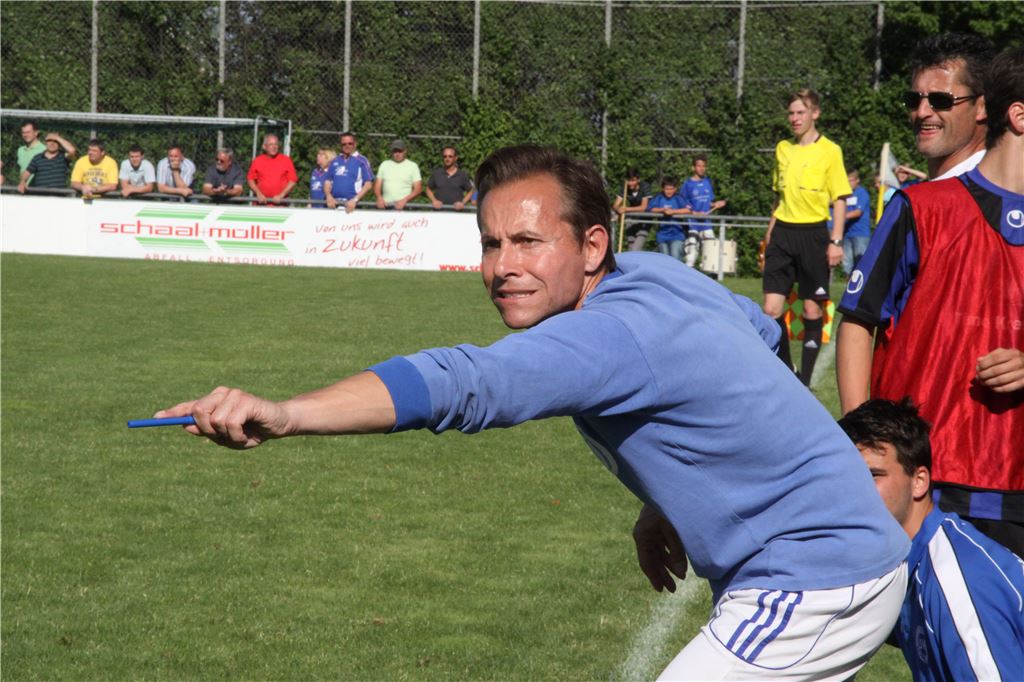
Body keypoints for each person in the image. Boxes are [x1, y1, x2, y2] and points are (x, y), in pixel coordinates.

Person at [155, 145, 909, 680]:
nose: (502, 267)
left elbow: (466, 383)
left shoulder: (603, 334)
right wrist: (668, 500)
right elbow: (761, 332)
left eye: (526, 241)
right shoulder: (654, 274)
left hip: (811, 579)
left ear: (591, 246)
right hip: (845, 558)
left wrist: (287, 414)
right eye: (491, 244)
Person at [837, 45, 1024, 558]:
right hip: (931, 483)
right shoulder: (921, 208)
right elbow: (857, 320)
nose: (922, 111)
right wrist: (865, 450)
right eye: (916, 99)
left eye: (939, 98)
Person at [838, 398, 1024, 680]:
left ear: (919, 481)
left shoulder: (953, 580)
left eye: (873, 475)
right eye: (848, 476)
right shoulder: (911, 559)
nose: (857, 490)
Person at [763, 89, 851, 385]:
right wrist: (770, 233)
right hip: (782, 233)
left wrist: (836, 241)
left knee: (812, 308)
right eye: (791, 113)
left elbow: (840, 199)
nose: (794, 118)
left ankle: (806, 381)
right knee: (771, 310)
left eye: (800, 112)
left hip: (814, 235)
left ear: (815, 114)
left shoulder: (830, 150)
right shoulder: (782, 148)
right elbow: (778, 198)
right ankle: (788, 371)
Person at [904, 33, 995, 181]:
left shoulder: (992, 190)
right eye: (913, 99)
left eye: (940, 100)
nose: (921, 112)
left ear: (982, 107)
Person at [681, 154, 727, 268]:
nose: (701, 168)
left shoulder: (707, 182)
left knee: (711, 253)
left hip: (706, 223)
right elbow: (682, 204)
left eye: (704, 166)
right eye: (699, 166)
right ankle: (686, 274)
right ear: (693, 167)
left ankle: (710, 277)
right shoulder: (687, 184)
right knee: (691, 254)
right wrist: (695, 213)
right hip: (693, 223)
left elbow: (708, 202)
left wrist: (716, 204)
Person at [324, 131, 374, 213]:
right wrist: (328, 196)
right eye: (344, 144)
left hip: (353, 206)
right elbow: (327, 181)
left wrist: (355, 200)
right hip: (334, 205)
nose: (347, 146)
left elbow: (368, 184)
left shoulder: (362, 161)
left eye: (350, 143)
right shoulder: (335, 161)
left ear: (355, 144)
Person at [646, 177, 690, 261]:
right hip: (662, 235)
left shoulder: (679, 198)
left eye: (671, 189)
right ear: (663, 188)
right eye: (667, 189)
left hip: (677, 234)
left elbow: (688, 210)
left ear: (675, 189)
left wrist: (673, 211)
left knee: (675, 255)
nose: (669, 191)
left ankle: (677, 269)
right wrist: (662, 210)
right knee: (664, 258)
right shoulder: (659, 197)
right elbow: (650, 209)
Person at [247, 134, 298, 206]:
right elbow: (250, 180)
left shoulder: (286, 160)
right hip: (261, 204)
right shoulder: (258, 161)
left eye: (276, 144)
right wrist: (258, 193)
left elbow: (293, 180)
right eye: (271, 144)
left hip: (280, 205)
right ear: (264, 146)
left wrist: (281, 195)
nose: (274, 147)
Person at [374, 139, 422, 210]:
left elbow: (418, 189)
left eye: (400, 151)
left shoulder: (413, 166)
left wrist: (404, 200)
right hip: (385, 207)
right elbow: (377, 186)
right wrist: (379, 197)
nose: (397, 154)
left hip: (404, 207)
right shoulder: (384, 164)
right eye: (395, 151)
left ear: (405, 151)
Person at [612, 168, 651, 252]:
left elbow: (643, 207)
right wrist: (618, 209)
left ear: (638, 180)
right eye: (628, 180)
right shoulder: (624, 188)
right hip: (631, 220)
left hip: (644, 221)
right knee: (630, 247)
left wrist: (626, 209)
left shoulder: (645, 187)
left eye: (633, 180)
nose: (630, 183)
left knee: (636, 249)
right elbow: (615, 205)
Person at [841, 169, 871, 274]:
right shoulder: (846, 194)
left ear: (857, 180)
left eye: (851, 180)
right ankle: (848, 282)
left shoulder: (862, 193)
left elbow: (858, 212)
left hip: (860, 233)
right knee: (846, 263)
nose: (849, 183)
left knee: (860, 263)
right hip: (847, 232)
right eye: (847, 181)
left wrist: (839, 217)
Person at [425, 146, 474, 210]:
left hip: (456, 213)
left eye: (450, 156)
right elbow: (428, 189)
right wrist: (434, 200)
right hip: (438, 213)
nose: (447, 159)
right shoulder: (437, 173)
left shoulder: (462, 175)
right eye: (445, 156)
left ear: (455, 158)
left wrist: (462, 202)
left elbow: (471, 191)